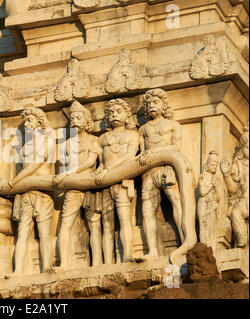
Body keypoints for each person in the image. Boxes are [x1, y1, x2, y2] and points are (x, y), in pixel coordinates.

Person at [0, 107, 55, 275]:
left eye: (30, 121)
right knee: (22, 233)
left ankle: (46, 267)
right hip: (25, 194)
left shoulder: (48, 142)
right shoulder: (24, 149)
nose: (26, 125)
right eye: (24, 122)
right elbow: (20, 169)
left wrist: (13, 183)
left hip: (42, 192)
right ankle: (18, 270)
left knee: (44, 231)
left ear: (40, 122)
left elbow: (35, 166)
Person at [138, 88, 184, 260]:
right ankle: (152, 251)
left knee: (176, 201)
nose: (151, 106)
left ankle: (184, 240)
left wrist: (156, 153)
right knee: (147, 210)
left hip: (167, 168)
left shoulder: (173, 125)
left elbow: (176, 147)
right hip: (149, 173)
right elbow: (141, 154)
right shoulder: (143, 130)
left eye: (155, 102)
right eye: (148, 103)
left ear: (164, 105)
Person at [93, 99, 139, 264]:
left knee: (125, 217)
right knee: (107, 224)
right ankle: (107, 261)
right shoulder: (103, 138)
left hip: (122, 180)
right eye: (111, 113)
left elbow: (129, 156)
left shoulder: (132, 135)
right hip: (105, 184)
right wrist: (100, 171)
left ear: (127, 115)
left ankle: (127, 254)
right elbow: (100, 162)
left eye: (118, 111)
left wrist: (108, 170)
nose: (114, 115)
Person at [55, 101, 100, 269]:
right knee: (65, 224)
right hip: (72, 188)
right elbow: (63, 165)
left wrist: (70, 173)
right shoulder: (66, 144)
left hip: (90, 186)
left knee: (94, 224)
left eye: (78, 117)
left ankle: (97, 263)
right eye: (72, 117)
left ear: (87, 121)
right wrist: (68, 173)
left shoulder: (94, 141)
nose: (74, 120)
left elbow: (90, 162)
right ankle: (64, 264)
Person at [221, 122, 249, 249]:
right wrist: (226, 174)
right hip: (241, 202)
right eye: (247, 147)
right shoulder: (238, 165)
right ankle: (242, 242)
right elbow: (233, 189)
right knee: (235, 213)